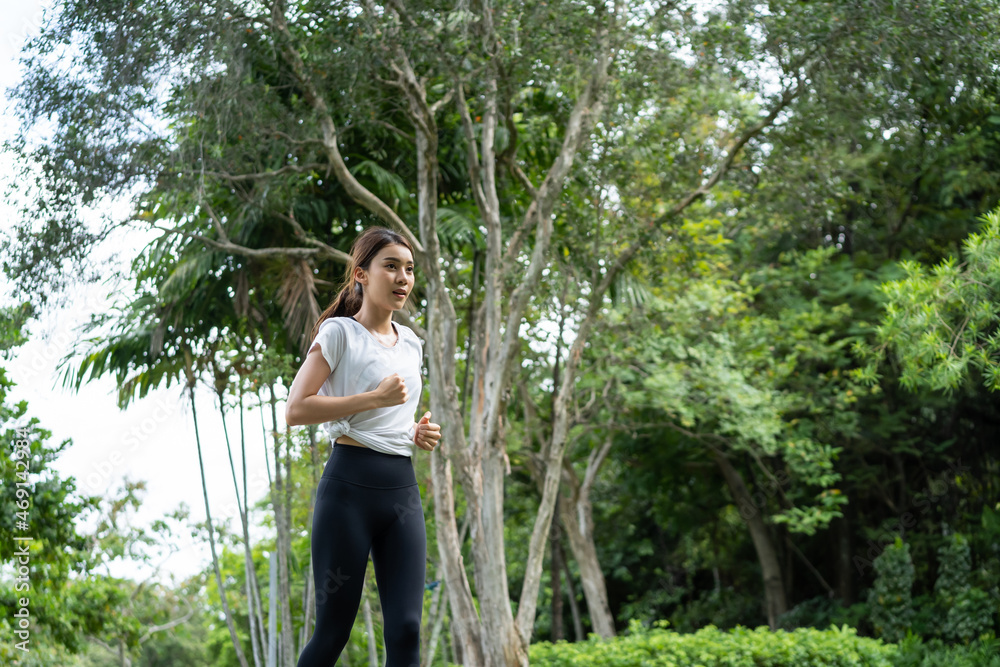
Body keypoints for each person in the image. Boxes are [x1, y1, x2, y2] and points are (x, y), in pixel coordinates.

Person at [285, 225, 442, 666]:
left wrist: (416, 432)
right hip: (347, 490)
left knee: (407, 628)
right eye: (390, 266)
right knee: (334, 630)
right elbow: (296, 409)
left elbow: (395, 417)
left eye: (409, 269)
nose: (402, 278)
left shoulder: (411, 343)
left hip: (401, 493)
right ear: (361, 274)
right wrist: (373, 398)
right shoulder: (338, 334)